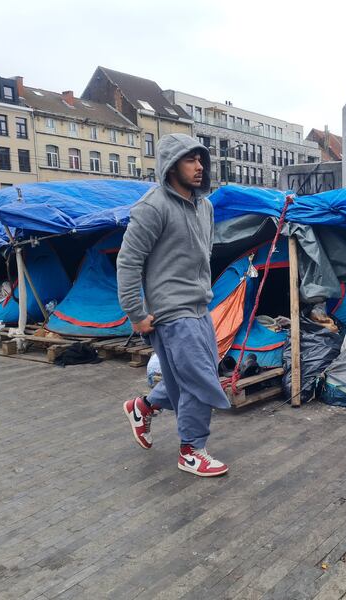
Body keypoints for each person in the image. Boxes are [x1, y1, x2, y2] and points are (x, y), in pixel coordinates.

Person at [117, 133, 230, 477]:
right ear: (170, 166)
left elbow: (203, 256)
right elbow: (128, 262)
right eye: (189, 160)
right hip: (171, 312)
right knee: (199, 379)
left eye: (201, 160)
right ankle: (191, 450)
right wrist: (136, 314)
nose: (199, 167)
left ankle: (144, 406)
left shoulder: (205, 206)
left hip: (199, 307)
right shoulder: (153, 207)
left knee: (192, 375)